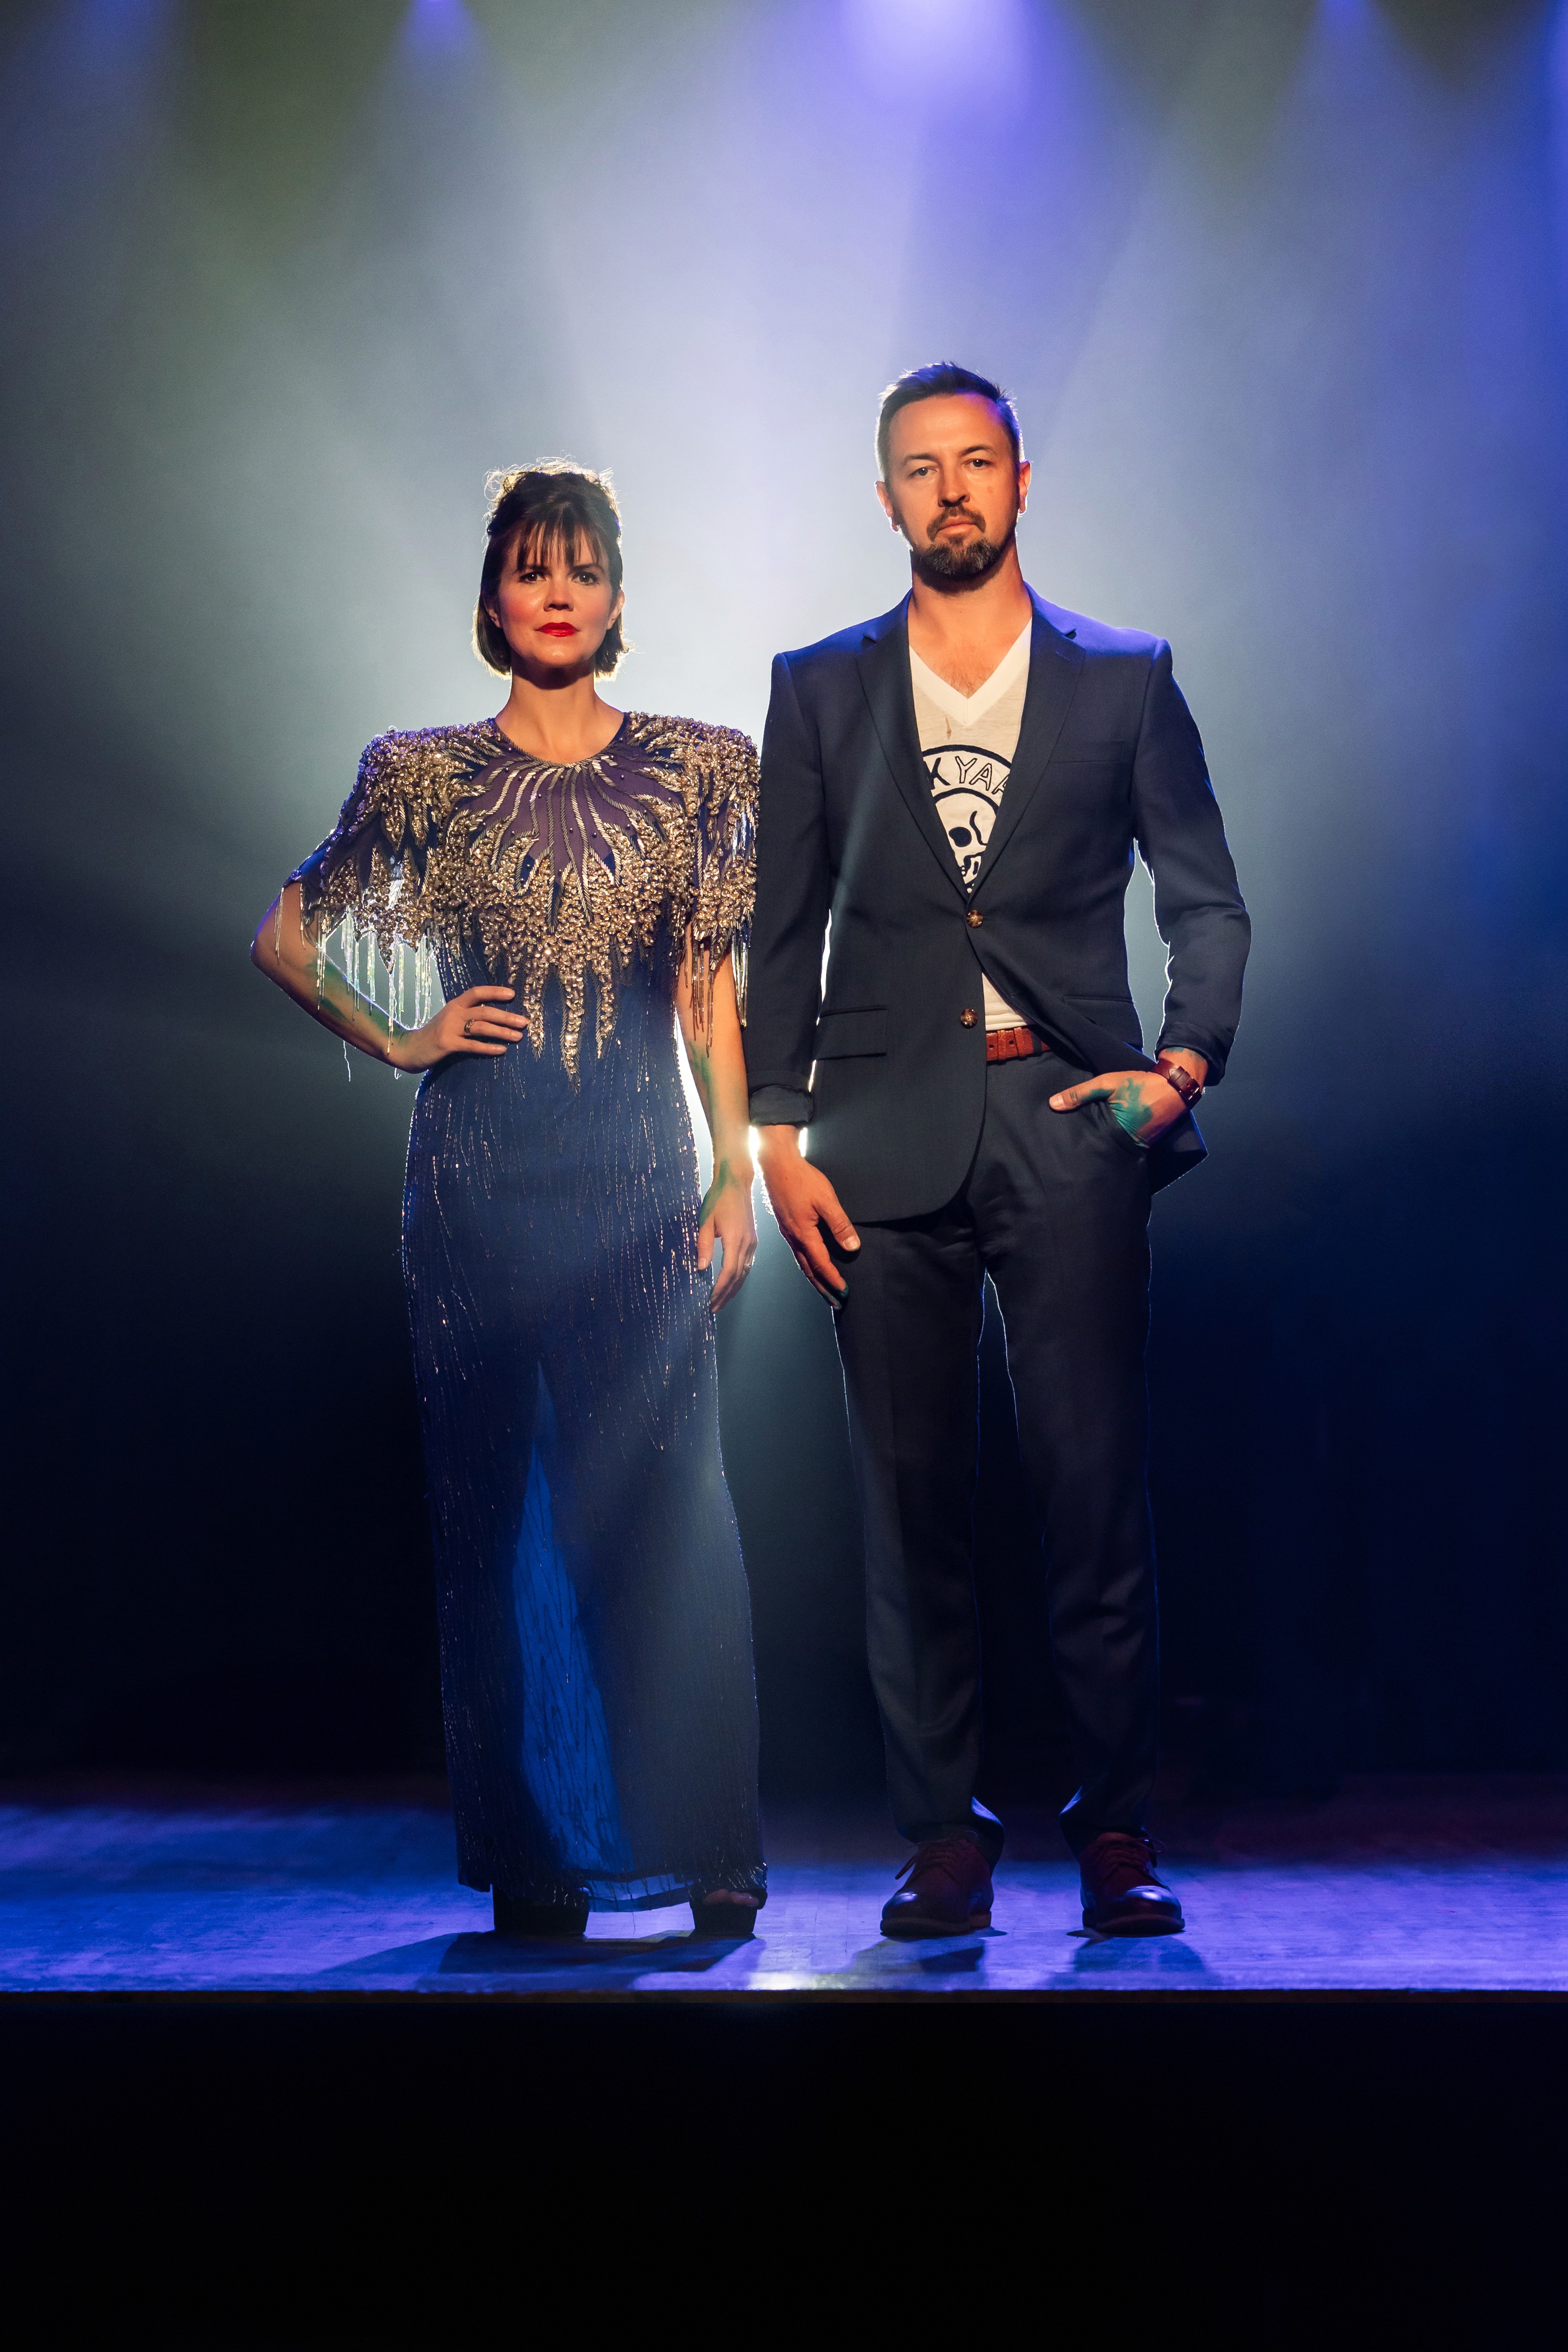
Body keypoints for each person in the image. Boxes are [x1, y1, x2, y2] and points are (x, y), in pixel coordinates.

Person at [745, 364, 1249, 1938]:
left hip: (1067, 1121)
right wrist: (774, 1138)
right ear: (884, 496)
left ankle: (1116, 1828)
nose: (950, 488)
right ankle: (944, 1835)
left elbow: (1206, 897)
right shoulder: (819, 687)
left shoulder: (1126, 677)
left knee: (1091, 1487)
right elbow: (781, 931)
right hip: (876, 1136)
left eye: (975, 461)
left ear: (1023, 480)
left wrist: (1178, 1066)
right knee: (909, 1507)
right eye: (920, 467)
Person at [252, 463, 765, 1937]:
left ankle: (710, 1846)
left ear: (616, 599)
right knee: (502, 1528)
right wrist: (402, 1035)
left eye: (582, 568)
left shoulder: (703, 767)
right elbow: (285, 934)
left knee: (669, 1510)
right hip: (476, 1193)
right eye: (531, 566)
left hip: (639, 1182)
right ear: (492, 597)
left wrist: (733, 1168)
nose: (557, 590)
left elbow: (707, 993)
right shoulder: (417, 773)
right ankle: (541, 1862)